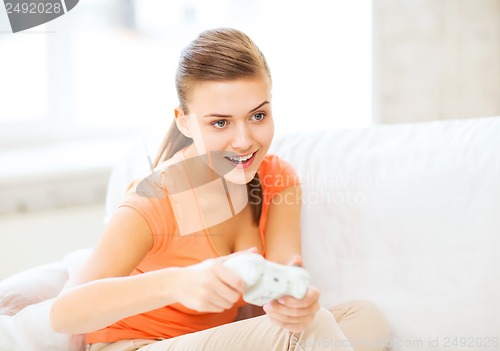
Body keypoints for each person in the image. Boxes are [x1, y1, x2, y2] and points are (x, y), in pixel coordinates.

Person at [50, 28, 389, 351]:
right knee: (315, 331)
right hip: (136, 344)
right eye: (220, 122)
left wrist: (294, 303)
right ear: (184, 121)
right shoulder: (154, 198)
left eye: (258, 116)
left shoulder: (277, 179)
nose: (244, 142)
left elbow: (285, 281)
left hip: (214, 339)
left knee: (363, 318)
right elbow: (64, 312)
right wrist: (177, 283)